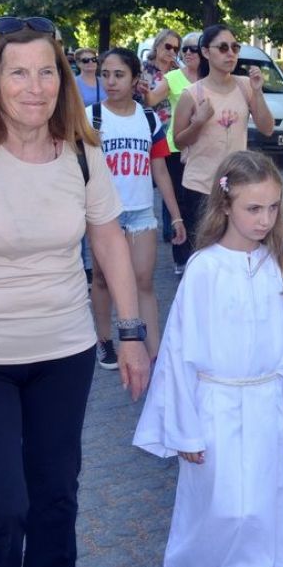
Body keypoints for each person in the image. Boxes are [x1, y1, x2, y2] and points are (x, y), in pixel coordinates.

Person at [0, 16, 149, 567]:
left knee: (56, 497)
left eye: (47, 71)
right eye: (18, 73)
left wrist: (132, 334)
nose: (35, 86)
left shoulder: (81, 154)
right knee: (2, 506)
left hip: (63, 353)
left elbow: (110, 241)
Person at [133, 150, 283, 567]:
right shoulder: (205, 269)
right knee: (216, 506)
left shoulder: (281, 270)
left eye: (273, 207)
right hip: (214, 406)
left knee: (259, 504)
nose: (264, 219)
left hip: (264, 403)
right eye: (253, 208)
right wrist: (185, 430)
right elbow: (179, 354)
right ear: (226, 204)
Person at [86, 47, 186, 370]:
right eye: (106, 74)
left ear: (134, 79)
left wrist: (176, 214)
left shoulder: (148, 118)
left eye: (119, 75)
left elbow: (160, 171)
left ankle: (154, 352)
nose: (111, 82)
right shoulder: (90, 118)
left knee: (143, 281)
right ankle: (105, 340)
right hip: (103, 213)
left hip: (142, 211)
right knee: (102, 279)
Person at [171, 24, 273, 251]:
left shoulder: (245, 85)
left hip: (237, 185)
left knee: (238, 250)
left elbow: (267, 128)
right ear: (206, 52)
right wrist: (198, 123)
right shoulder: (193, 94)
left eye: (235, 48)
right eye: (223, 47)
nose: (231, 54)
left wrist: (257, 92)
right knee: (205, 253)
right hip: (201, 187)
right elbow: (178, 141)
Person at [145, 30, 201, 275]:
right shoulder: (174, 76)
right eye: (184, 49)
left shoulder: (213, 77)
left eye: (191, 49)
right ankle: (181, 258)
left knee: (203, 204)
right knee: (180, 203)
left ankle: (203, 255)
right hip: (176, 147)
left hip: (205, 148)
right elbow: (151, 99)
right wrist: (142, 90)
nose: (186, 53)